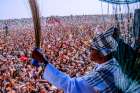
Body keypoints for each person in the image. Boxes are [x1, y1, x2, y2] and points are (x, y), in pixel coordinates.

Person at [32, 28, 140, 93]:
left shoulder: (105, 72)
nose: (89, 50)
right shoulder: (114, 63)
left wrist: (44, 62)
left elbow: (70, 85)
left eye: (92, 49)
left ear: (102, 54)